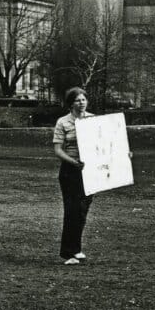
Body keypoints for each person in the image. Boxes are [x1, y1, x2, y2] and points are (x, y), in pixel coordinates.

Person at [53, 86, 94, 265]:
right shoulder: (63, 122)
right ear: (71, 103)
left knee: (82, 210)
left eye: (83, 99)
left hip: (89, 171)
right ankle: (68, 252)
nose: (81, 103)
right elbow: (57, 150)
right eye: (77, 100)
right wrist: (73, 161)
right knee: (72, 210)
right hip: (70, 171)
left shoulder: (93, 120)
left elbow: (105, 143)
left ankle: (76, 249)